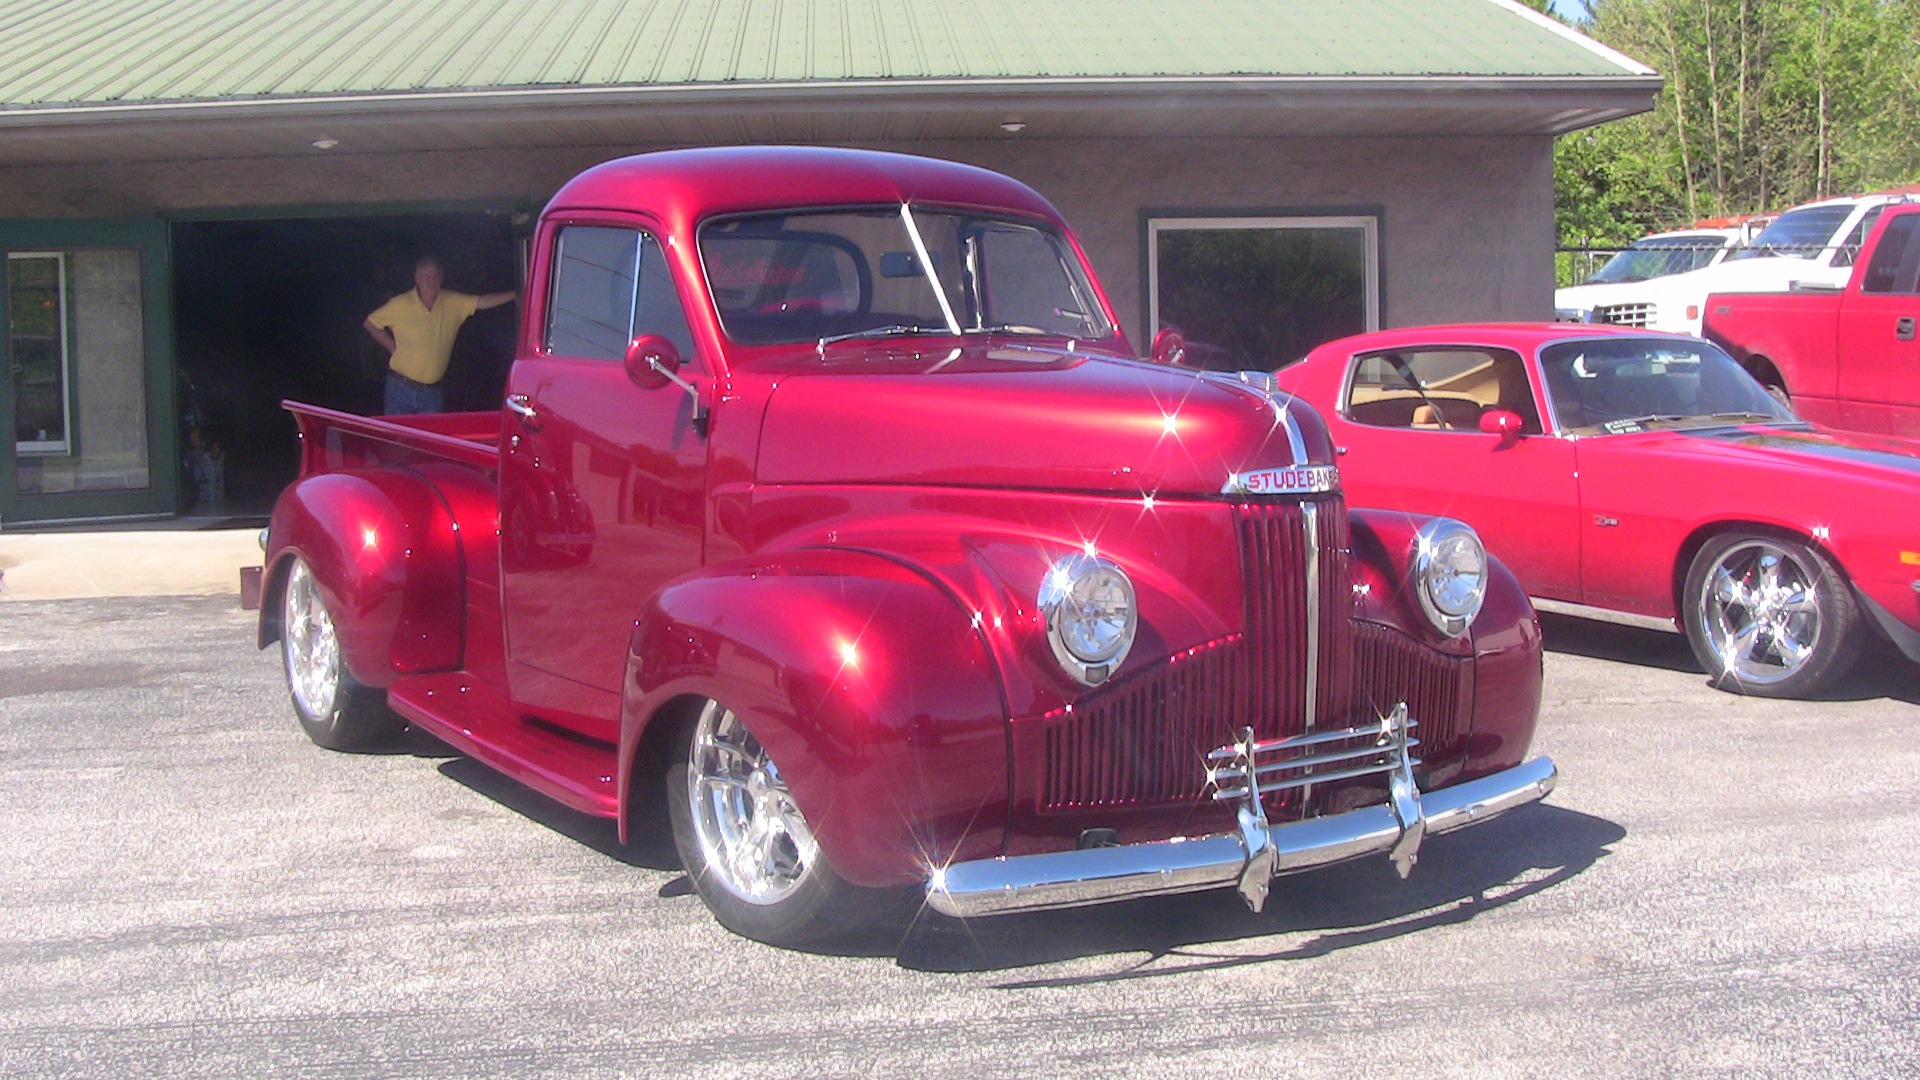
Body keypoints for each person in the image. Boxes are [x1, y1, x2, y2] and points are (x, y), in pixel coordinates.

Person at [363, 256, 515, 414]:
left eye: (436, 276)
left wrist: (517, 294)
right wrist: (392, 347)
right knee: (396, 437)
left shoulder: (453, 302)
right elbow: (370, 323)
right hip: (400, 387)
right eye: (427, 277)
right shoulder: (400, 304)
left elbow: (483, 301)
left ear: (442, 278)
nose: (432, 281)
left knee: (430, 438)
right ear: (417, 279)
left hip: (432, 392)